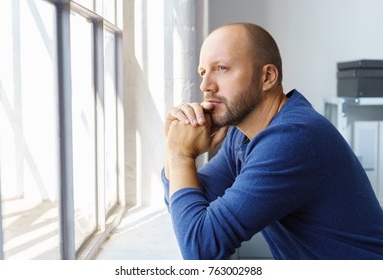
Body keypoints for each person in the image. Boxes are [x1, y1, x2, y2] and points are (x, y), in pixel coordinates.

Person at [161, 22, 383, 260]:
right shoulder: (242, 133)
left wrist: (180, 155)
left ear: (267, 76)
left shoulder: (292, 138)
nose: (206, 86)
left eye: (222, 68)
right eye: (203, 72)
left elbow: (199, 250)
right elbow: (191, 206)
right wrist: (175, 147)